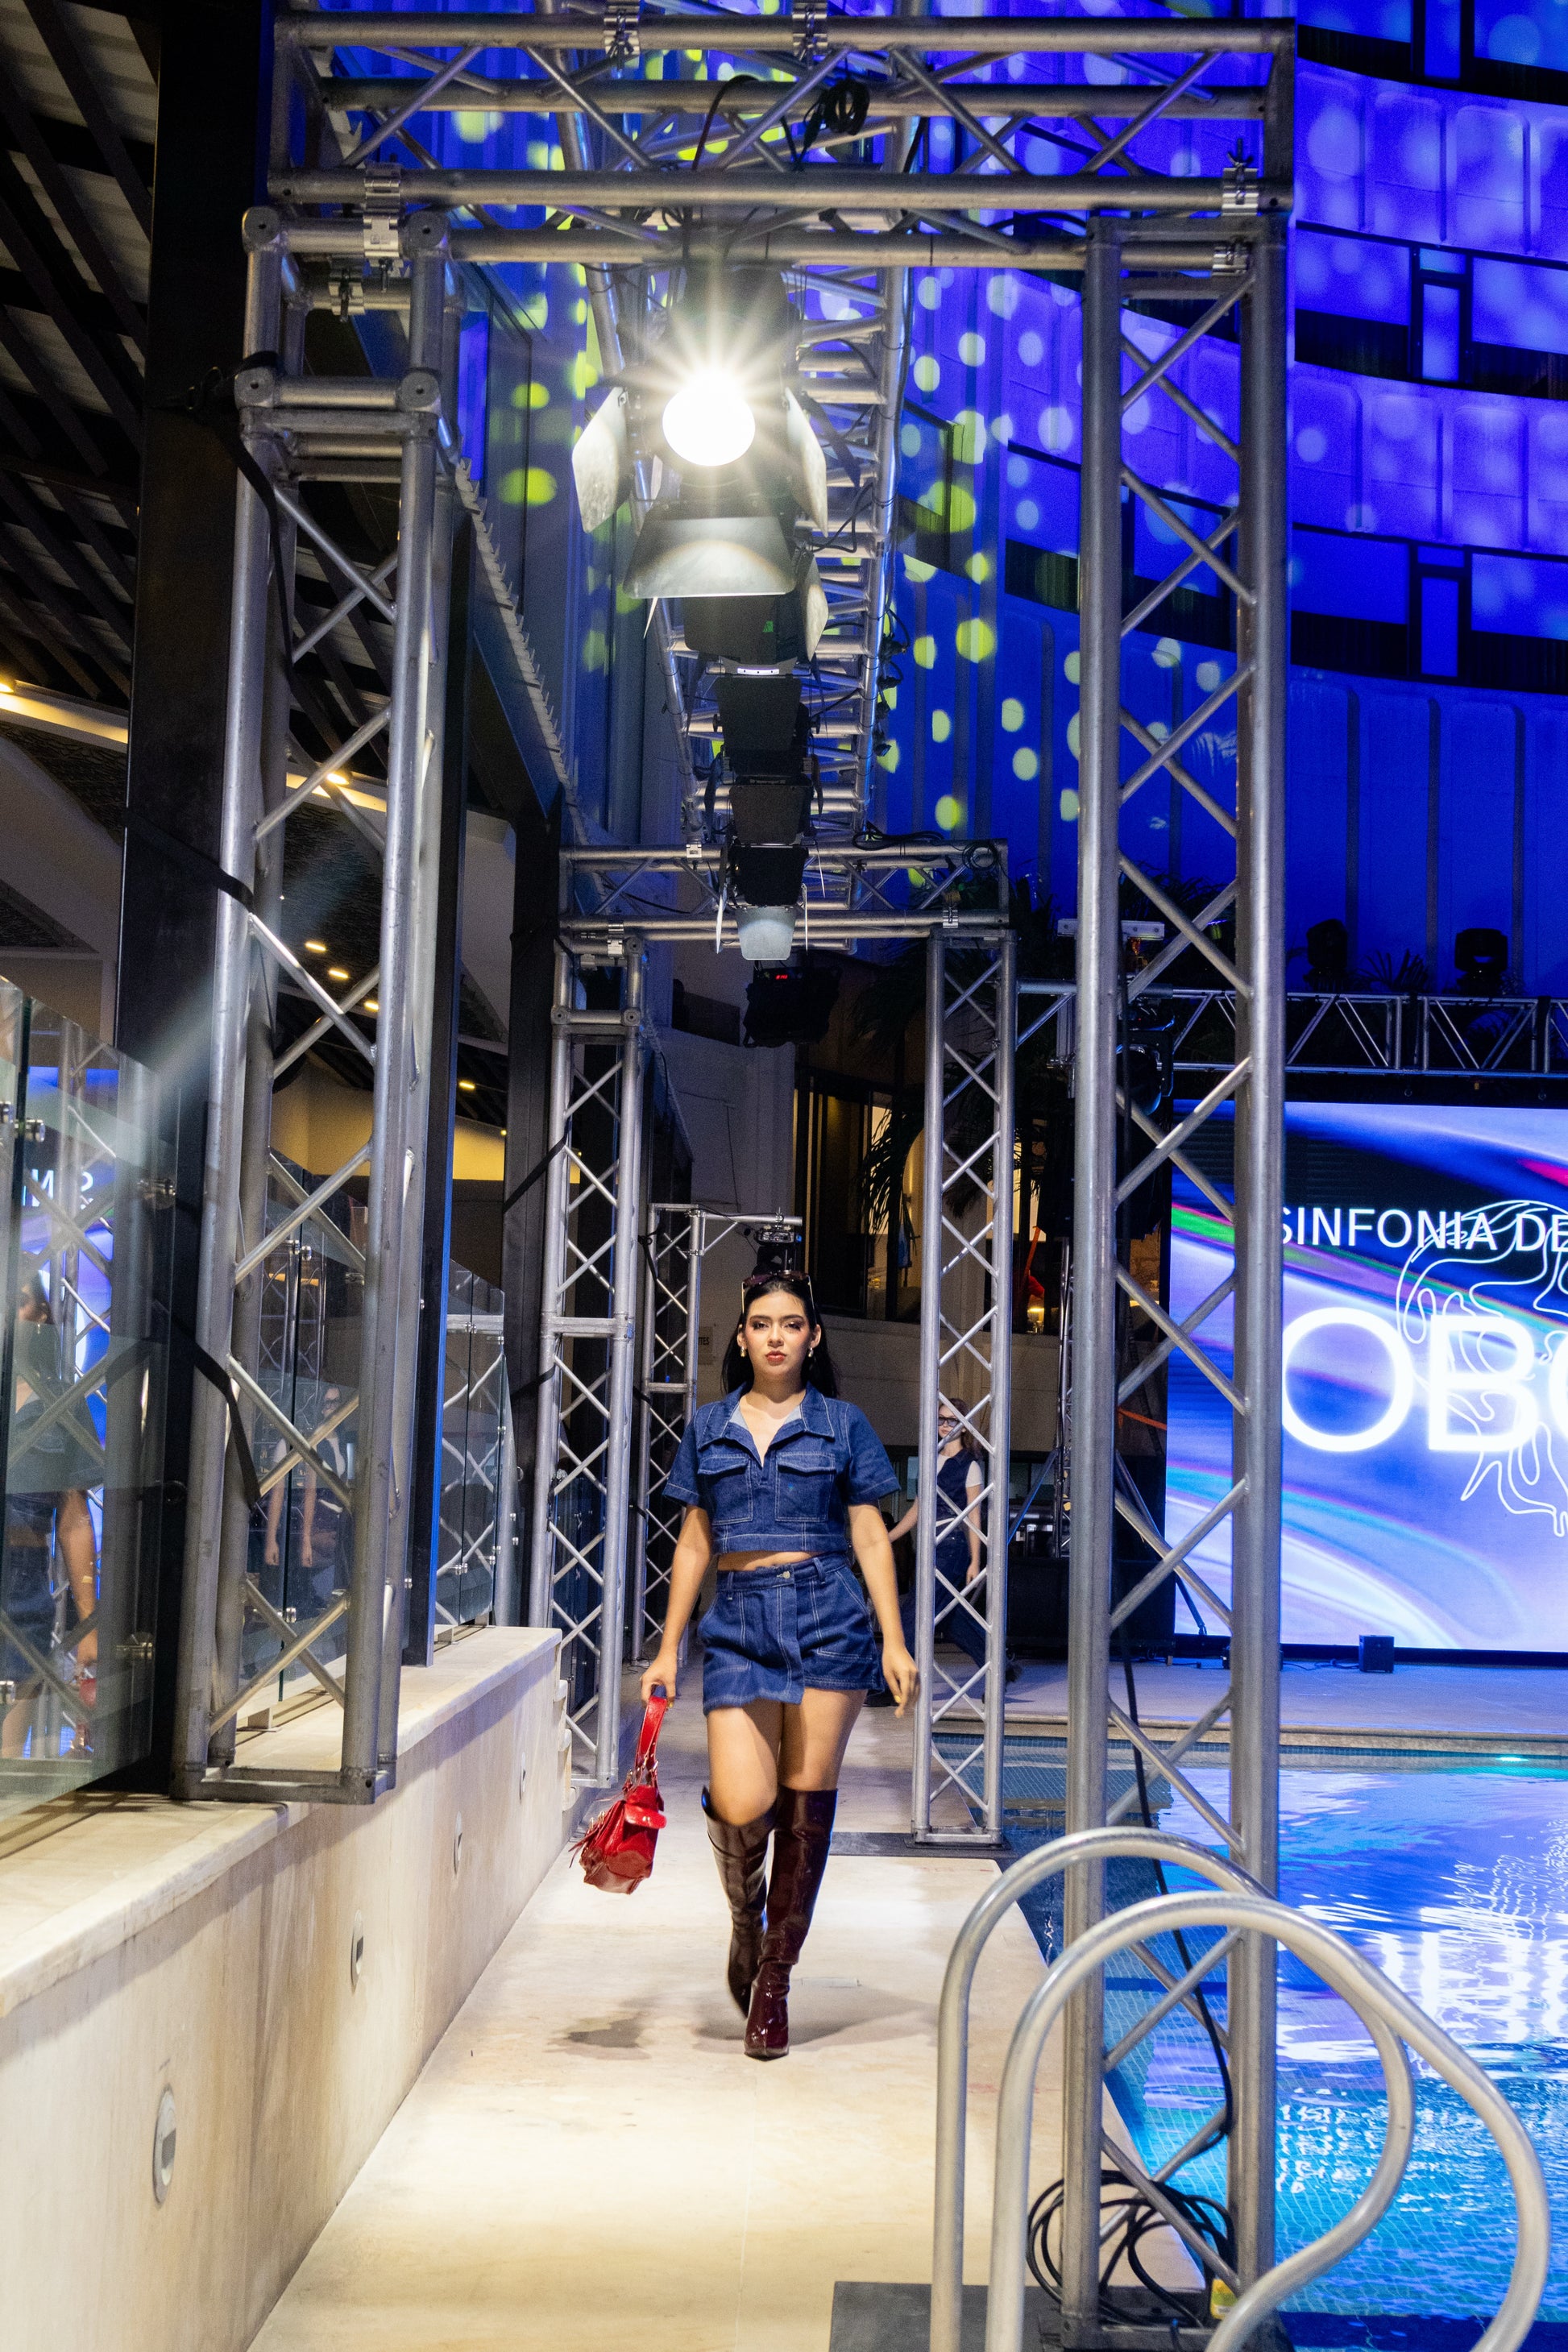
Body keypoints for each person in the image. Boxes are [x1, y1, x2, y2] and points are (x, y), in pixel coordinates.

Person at [639, 1270, 918, 2061]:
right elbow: (695, 1540)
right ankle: (746, 1921)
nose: (774, 1336)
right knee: (740, 1800)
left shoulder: (842, 1424)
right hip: (737, 1621)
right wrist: (667, 1646)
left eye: (790, 1324)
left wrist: (893, 1639)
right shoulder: (709, 1426)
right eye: (760, 1323)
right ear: (741, 1336)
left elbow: (870, 1532)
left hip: (829, 1615)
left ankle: (775, 1982)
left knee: (804, 1800)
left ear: (812, 1337)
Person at [2, 1276, 99, 1759]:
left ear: (41, 1315)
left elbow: (75, 1520)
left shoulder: (64, 1401)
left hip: (22, 1594)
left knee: (5, 1761)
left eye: (18, 1300)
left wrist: (89, 1625)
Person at [887, 1396, 989, 1674]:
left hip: (953, 1547)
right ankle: (1001, 1667)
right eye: (941, 1419)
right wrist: (888, 1538)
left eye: (952, 1421)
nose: (945, 1425)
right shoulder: (930, 1460)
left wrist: (975, 1561)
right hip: (929, 1547)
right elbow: (918, 1509)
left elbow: (974, 1516)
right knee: (951, 1620)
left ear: (964, 1426)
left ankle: (891, 1680)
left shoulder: (970, 1465)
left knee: (915, 1612)